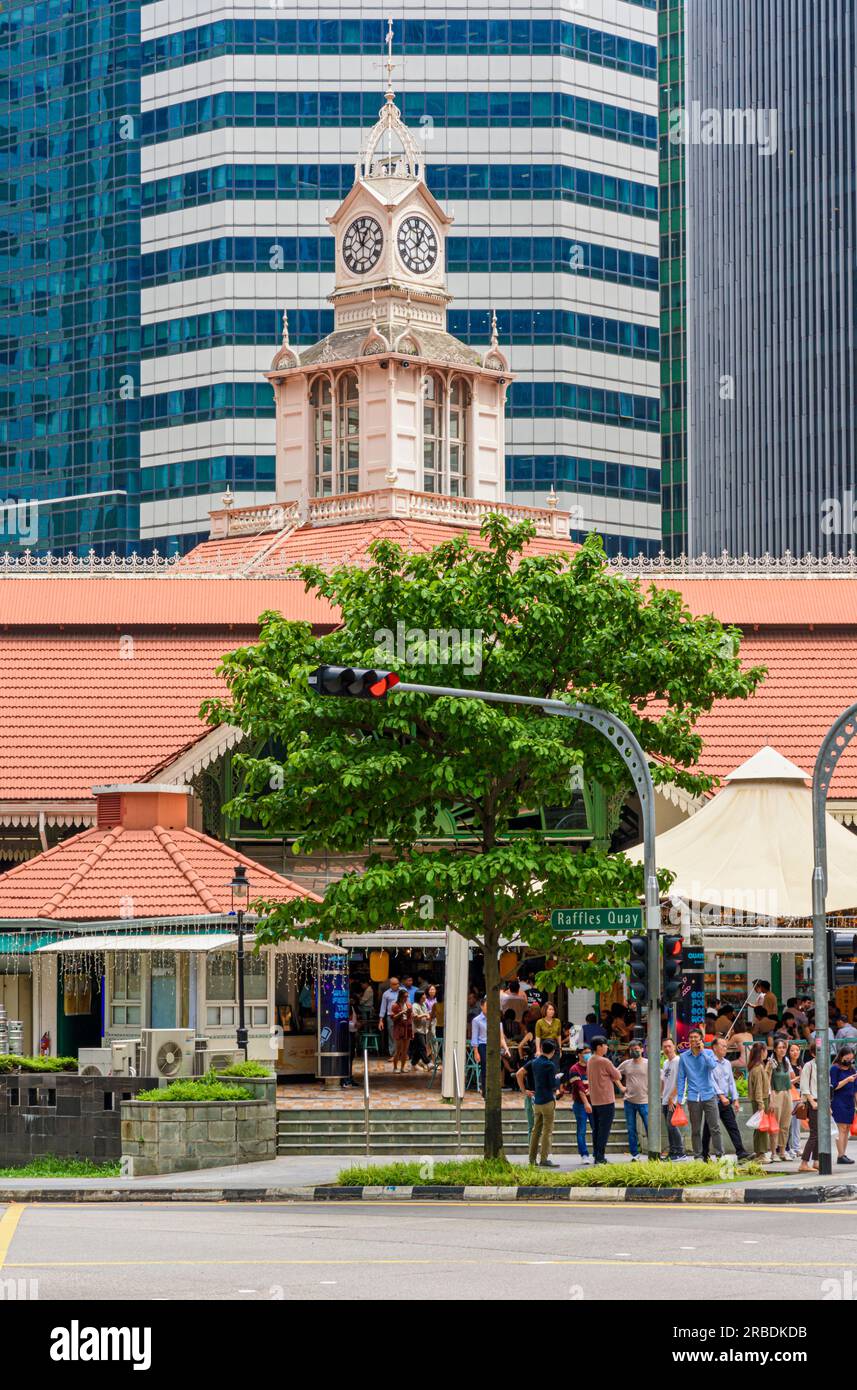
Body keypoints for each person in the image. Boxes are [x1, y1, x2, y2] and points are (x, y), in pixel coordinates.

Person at [673, 1027, 723, 1162]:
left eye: (696, 1037)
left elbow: (712, 1066)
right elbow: (681, 1078)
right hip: (693, 1097)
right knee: (695, 1130)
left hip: (709, 1095)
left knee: (715, 1127)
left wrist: (702, 1052)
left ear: (701, 1039)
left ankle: (719, 1155)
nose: (693, 1040)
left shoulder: (708, 1053)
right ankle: (698, 1156)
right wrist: (679, 1098)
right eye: (691, 1037)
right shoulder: (683, 1057)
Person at [702, 1035, 750, 1163]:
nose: (725, 1048)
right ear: (715, 1048)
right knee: (709, 1129)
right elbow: (710, 1081)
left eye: (726, 1046)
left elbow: (731, 1082)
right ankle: (704, 1154)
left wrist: (735, 1098)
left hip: (726, 1101)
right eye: (723, 1046)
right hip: (713, 1101)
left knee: (732, 1126)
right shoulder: (710, 1062)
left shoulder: (727, 1063)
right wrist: (721, 1095)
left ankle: (741, 1152)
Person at [517, 1038, 561, 1167]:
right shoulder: (550, 1065)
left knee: (536, 1130)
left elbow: (520, 1073)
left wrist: (524, 1090)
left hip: (537, 1101)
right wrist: (557, 1080)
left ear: (541, 1048)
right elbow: (552, 1085)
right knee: (547, 1131)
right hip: (547, 1100)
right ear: (553, 1051)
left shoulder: (534, 1062)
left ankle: (531, 1158)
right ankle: (543, 1159)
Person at [586, 1037, 625, 1165]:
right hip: (606, 1100)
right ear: (599, 1047)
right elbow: (618, 1076)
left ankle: (596, 1154)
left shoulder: (590, 1060)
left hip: (595, 1100)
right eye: (605, 1045)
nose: (607, 1047)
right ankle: (600, 1157)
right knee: (604, 1130)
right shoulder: (604, 1061)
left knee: (596, 1129)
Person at [470, 999, 511, 1097]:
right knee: (485, 1067)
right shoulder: (476, 1020)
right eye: (486, 1006)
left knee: (497, 1066)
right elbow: (474, 1037)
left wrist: (506, 1048)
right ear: (482, 1006)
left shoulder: (496, 1020)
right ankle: (485, 1091)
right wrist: (476, 1052)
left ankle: (494, 1090)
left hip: (494, 1045)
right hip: (482, 1045)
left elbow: (501, 1037)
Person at [767, 1036, 797, 1161]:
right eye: (779, 1048)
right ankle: (773, 1152)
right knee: (775, 1125)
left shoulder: (786, 1061)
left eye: (784, 1047)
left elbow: (791, 1078)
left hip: (787, 1093)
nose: (782, 1050)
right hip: (776, 1093)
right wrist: (771, 1097)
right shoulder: (771, 1062)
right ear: (774, 1049)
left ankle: (783, 1151)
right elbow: (767, 1080)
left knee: (785, 1124)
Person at [618, 1041, 649, 1161]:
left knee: (649, 1128)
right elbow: (614, 1074)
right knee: (631, 1129)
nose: (634, 1051)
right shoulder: (626, 1063)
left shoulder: (648, 1063)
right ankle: (635, 1154)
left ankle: (653, 1152)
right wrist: (621, 1087)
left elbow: (660, 1077)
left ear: (642, 1049)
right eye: (631, 1049)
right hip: (629, 1101)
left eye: (636, 1049)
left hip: (645, 1101)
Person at [748, 1042, 777, 1163]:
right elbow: (759, 1088)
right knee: (762, 1128)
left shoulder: (758, 1067)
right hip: (760, 1100)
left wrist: (769, 1069)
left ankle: (760, 1153)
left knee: (760, 1128)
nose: (766, 1053)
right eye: (765, 1051)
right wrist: (761, 1105)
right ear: (761, 1052)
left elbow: (765, 1082)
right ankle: (761, 1154)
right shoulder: (757, 1068)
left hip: (761, 1099)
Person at [831, 1044, 857, 1164]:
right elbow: (834, 1086)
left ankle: (843, 1154)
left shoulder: (852, 1069)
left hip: (849, 1101)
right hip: (839, 1101)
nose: (849, 1061)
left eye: (851, 1059)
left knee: (847, 1128)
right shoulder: (835, 1068)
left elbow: (855, 1089)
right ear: (841, 1056)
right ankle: (840, 1155)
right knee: (841, 1128)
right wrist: (847, 1080)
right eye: (847, 1059)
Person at [660, 1038, 686, 1161]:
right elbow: (664, 1082)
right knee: (668, 1126)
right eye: (665, 1046)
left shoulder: (678, 1061)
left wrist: (672, 1097)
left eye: (669, 1046)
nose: (667, 1049)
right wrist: (661, 1096)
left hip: (674, 1099)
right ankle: (673, 1151)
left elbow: (681, 1081)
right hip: (665, 1099)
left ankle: (680, 1152)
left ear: (674, 1047)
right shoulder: (665, 1063)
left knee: (672, 1125)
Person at [566, 1045, 592, 1162]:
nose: (588, 1055)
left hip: (594, 1103)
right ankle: (584, 1155)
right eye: (585, 1052)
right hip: (580, 1104)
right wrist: (586, 1103)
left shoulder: (593, 1066)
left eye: (589, 1052)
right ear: (579, 1054)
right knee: (581, 1130)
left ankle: (598, 1154)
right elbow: (579, 1088)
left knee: (596, 1128)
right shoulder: (574, 1069)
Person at [798, 1041, 818, 1173]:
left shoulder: (823, 1066)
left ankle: (816, 1161)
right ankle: (804, 1163)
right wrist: (812, 1102)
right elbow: (804, 1087)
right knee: (814, 1133)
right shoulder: (808, 1066)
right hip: (813, 1102)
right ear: (813, 1053)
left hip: (820, 1102)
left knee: (819, 1134)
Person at [786, 1041, 805, 1156]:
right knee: (790, 1122)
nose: (795, 1052)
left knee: (797, 1122)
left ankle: (797, 1147)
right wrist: (800, 1076)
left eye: (797, 1050)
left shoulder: (802, 1065)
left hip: (800, 1094)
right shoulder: (787, 1064)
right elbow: (790, 1080)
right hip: (791, 1093)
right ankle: (791, 1147)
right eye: (792, 1050)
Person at [389, 988, 413, 1072]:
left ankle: (402, 1068)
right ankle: (395, 1067)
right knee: (398, 1049)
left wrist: (410, 1012)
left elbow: (411, 1017)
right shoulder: (395, 1005)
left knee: (405, 1050)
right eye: (405, 996)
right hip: (399, 1028)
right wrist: (401, 1013)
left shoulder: (409, 1004)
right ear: (400, 996)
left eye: (407, 996)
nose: (406, 998)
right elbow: (393, 1017)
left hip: (407, 1027)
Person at [378, 977, 400, 1057]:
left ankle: (401, 1053)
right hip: (391, 1017)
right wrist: (381, 1020)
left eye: (398, 983)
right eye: (395, 984)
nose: (397, 985)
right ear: (390, 985)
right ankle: (393, 1054)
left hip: (401, 1016)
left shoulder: (402, 991)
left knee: (401, 1035)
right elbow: (383, 1007)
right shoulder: (386, 994)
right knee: (392, 1035)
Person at [410, 991, 432, 1071]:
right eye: (423, 995)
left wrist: (428, 1016)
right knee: (422, 1047)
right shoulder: (415, 1006)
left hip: (424, 1029)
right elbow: (415, 1017)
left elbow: (427, 1014)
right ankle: (428, 1063)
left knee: (418, 1049)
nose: (425, 996)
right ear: (419, 997)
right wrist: (425, 1015)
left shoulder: (423, 1005)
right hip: (417, 1030)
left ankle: (413, 1064)